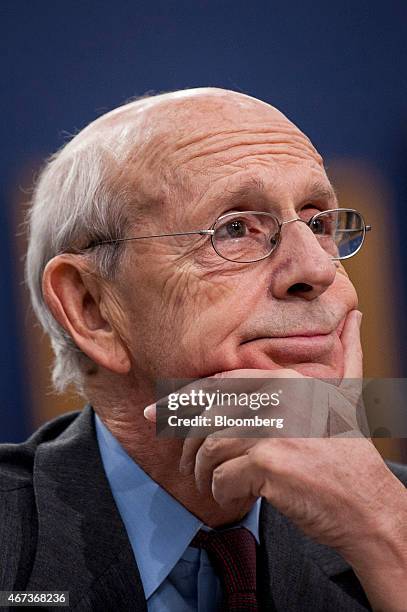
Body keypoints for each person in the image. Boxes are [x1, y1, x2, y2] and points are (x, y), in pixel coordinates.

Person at [1, 88, 406, 611]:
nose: (318, 271)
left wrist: (383, 531)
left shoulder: (392, 513)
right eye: (235, 229)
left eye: (319, 223)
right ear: (93, 308)